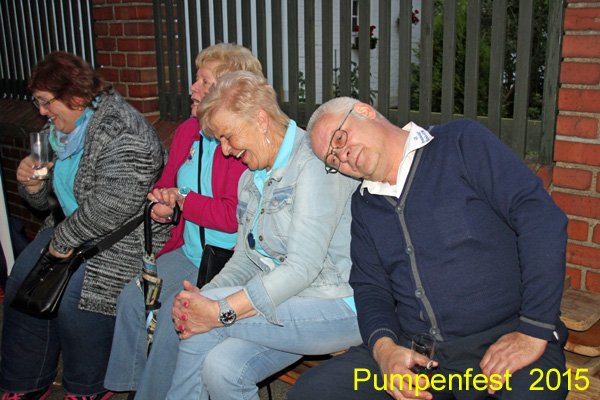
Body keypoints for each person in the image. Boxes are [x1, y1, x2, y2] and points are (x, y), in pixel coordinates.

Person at [288, 97, 569, 400]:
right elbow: (371, 287)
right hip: (418, 355)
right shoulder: (365, 205)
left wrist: (533, 331)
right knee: (313, 392)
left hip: (504, 340)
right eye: (333, 160)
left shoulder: (460, 144)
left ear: (364, 111)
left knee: (536, 392)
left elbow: (540, 218)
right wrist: (385, 351)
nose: (342, 156)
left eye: (340, 139)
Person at [157, 71, 362, 400]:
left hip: (337, 304)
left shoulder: (313, 162)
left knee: (202, 330)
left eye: (228, 137)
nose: (225, 151)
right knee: (222, 369)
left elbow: (302, 269)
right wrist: (204, 297)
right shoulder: (250, 179)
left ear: (260, 120)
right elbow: (245, 259)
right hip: (283, 304)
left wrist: (217, 309)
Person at [0, 51, 165, 400]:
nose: (41, 111)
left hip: (122, 238)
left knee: (79, 298)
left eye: (45, 101)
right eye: (37, 102)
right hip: (71, 226)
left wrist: (62, 241)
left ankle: (89, 386)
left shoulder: (124, 132)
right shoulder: (56, 133)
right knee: (21, 282)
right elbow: (46, 202)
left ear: (75, 97)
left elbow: (112, 206)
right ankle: (25, 381)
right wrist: (32, 186)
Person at [103, 44, 260, 399]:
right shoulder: (189, 130)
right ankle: (132, 386)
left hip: (228, 260)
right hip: (190, 251)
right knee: (132, 300)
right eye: (196, 79)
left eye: (204, 81)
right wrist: (164, 205)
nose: (193, 87)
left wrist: (184, 202)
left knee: (172, 324)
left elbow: (232, 218)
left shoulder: (239, 144)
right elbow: (167, 185)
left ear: (229, 93)